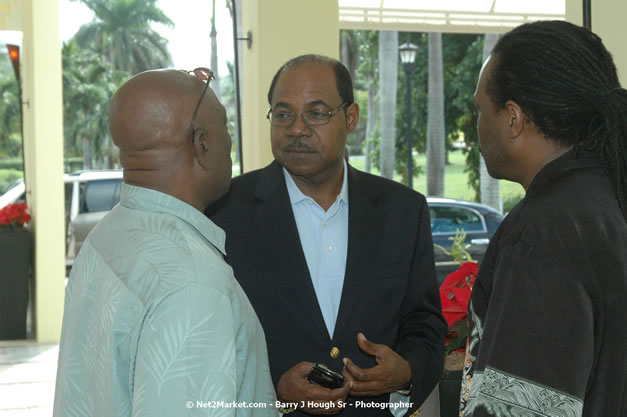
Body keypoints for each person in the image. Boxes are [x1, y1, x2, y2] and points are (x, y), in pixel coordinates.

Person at [207, 54, 447, 417]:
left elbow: (424, 322)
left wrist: (407, 370)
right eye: (283, 114)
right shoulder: (225, 211)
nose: (297, 129)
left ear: (350, 118)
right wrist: (271, 388)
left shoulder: (403, 210)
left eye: (316, 113)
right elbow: (209, 334)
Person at [53, 69, 276, 416]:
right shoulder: (194, 283)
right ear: (202, 144)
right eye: (225, 128)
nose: (230, 141)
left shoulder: (107, 235)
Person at [461, 20, 627, 416]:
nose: (476, 127)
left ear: (513, 118)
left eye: (480, 110)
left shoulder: (544, 231)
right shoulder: (607, 199)